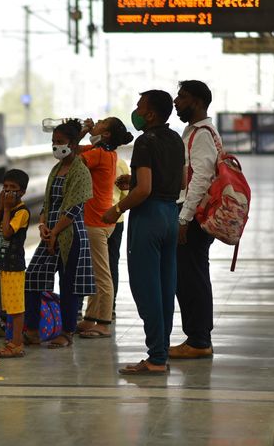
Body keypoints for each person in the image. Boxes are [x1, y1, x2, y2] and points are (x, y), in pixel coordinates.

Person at [104, 90, 184, 375]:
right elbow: (182, 178)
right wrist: (134, 179)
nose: (136, 111)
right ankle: (161, 353)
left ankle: (156, 358)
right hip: (170, 214)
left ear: (150, 114)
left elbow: (144, 190)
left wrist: (116, 210)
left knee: (146, 287)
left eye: (139, 106)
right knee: (165, 285)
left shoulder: (144, 142)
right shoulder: (176, 138)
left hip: (148, 217)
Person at [24, 120, 94, 349]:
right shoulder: (56, 169)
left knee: (68, 283)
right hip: (50, 233)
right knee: (33, 276)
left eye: (60, 142)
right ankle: (32, 329)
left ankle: (67, 332)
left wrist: (54, 232)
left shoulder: (80, 171)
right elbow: (47, 203)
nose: (56, 146)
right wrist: (43, 226)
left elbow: (74, 209)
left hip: (70, 234)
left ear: (73, 144)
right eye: (54, 142)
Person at [171, 80, 220, 359]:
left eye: (183, 96)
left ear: (199, 102)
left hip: (195, 217)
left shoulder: (201, 133)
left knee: (192, 278)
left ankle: (199, 341)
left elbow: (201, 178)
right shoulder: (193, 132)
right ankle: (198, 337)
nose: (177, 101)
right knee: (192, 276)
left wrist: (184, 218)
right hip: (194, 214)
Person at [76, 117, 134, 338]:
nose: (97, 121)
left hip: (95, 221)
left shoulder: (98, 154)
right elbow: (75, 148)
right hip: (103, 220)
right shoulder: (105, 152)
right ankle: (91, 318)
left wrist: (81, 131)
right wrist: (85, 133)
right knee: (96, 272)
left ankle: (104, 322)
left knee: (102, 274)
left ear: (107, 134)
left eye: (101, 123)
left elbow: (71, 157)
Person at [0, 169, 31, 357]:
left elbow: (6, 233)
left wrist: (5, 209)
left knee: (16, 308)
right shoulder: (7, 209)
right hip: (4, 265)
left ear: (22, 192)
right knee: (10, 306)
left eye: (13, 188)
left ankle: (16, 345)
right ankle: (12, 339)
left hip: (14, 266)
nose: (8, 191)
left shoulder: (21, 212)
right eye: (5, 187)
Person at [107, 120, 132, 322]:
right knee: (111, 264)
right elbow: (125, 195)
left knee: (89, 265)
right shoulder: (121, 163)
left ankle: (85, 309)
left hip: (95, 220)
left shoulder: (90, 160)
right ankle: (110, 307)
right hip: (117, 219)